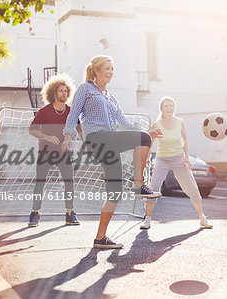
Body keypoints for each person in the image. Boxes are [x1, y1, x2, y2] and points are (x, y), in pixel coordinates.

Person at [62, 55, 163, 249]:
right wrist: (68, 135)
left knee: (114, 193)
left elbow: (124, 124)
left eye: (112, 69)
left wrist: (148, 134)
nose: (111, 72)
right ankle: (138, 185)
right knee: (143, 139)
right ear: (97, 70)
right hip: (97, 139)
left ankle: (100, 238)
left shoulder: (110, 97)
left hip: (110, 143)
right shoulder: (86, 89)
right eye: (107, 68)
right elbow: (73, 114)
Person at [140, 96, 213, 229]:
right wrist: (146, 159)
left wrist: (186, 157)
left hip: (179, 159)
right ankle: (147, 219)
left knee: (192, 188)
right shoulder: (157, 124)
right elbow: (150, 143)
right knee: (153, 188)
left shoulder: (180, 122)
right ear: (161, 109)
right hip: (162, 159)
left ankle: (202, 218)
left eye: (171, 105)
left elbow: (185, 140)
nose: (169, 108)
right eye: (166, 106)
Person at [28, 73, 81, 227]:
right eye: (61, 91)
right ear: (54, 93)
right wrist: (47, 137)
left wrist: (69, 139)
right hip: (45, 153)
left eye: (66, 91)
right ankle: (35, 214)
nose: (64, 93)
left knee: (69, 183)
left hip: (64, 153)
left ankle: (70, 214)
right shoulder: (44, 111)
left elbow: (78, 130)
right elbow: (32, 130)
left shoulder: (71, 112)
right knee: (40, 183)